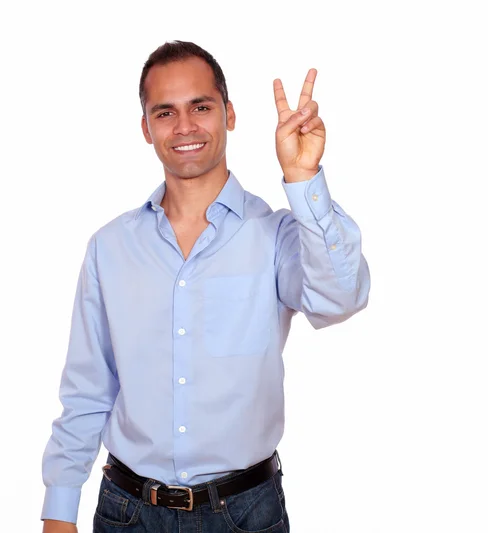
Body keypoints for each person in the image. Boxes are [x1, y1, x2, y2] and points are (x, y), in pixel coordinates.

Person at [40, 40, 370, 533]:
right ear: (146, 128)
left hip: (245, 513)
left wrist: (302, 178)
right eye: (165, 112)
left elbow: (341, 298)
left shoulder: (277, 235)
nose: (185, 126)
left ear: (229, 114)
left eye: (201, 106)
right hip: (126, 512)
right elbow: (89, 389)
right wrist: (59, 509)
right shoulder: (109, 247)